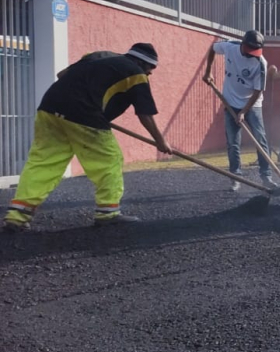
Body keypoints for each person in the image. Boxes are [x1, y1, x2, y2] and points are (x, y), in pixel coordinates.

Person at [3, 43, 171, 232]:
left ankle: (17, 215)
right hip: (84, 114)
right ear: (142, 63)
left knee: (44, 162)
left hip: (49, 108)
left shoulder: (99, 56)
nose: (150, 75)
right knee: (109, 160)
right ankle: (108, 213)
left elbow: (62, 75)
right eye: (150, 70)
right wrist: (160, 141)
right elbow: (145, 114)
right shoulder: (137, 74)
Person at [203, 30, 276, 191]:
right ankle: (236, 177)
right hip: (230, 103)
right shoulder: (229, 47)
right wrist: (208, 71)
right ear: (242, 44)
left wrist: (243, 111)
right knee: (233, 142)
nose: (251, 54)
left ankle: (266, 177)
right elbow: (212, 49)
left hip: (252, 104)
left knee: (260, 139)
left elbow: (257, 92)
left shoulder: (260, 63)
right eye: (249, 49)